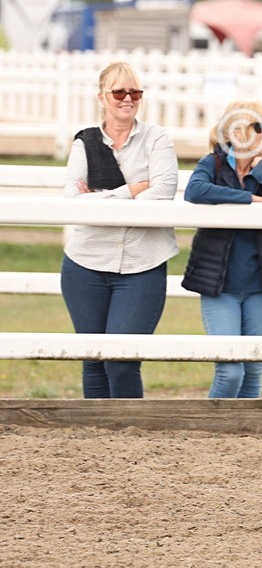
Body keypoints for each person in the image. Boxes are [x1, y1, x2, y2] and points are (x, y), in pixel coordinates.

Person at [62, 62, 179, 398]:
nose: (128, 99)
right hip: (85, 263)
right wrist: (133, 189)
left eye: (135, 92)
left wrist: (102, 199)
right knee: (93, 360)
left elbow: (163, 191)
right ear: (102, 97)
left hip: (143, 264)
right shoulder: (84, 142)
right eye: (119, 92)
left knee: (123, 361)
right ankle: (96, 435)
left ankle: (130, 432)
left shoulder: (157, 138)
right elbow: (72, 199)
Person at [182, 101, 262, 399]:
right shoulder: (213, 164)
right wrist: (251, 199)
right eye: (259, 127)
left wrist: (261, 168)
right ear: (237, 132)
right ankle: (213, 430)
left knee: (253, 370)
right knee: (230, 370)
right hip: (219, 287)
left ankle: (246, 439)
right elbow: (195, 191)